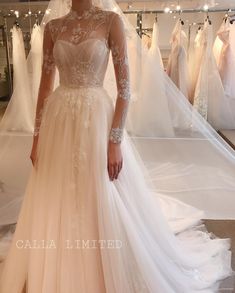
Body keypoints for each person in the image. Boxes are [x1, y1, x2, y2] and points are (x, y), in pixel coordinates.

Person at [0, 0, 232, 292]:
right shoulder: (53, 28)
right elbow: (45, 87)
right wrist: (37, 139)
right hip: (59, 121)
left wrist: (115, 141)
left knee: (100, 187)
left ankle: (102, 254)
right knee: (59, 188)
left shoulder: (110, 21)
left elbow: (124, 88)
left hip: (96, 118)